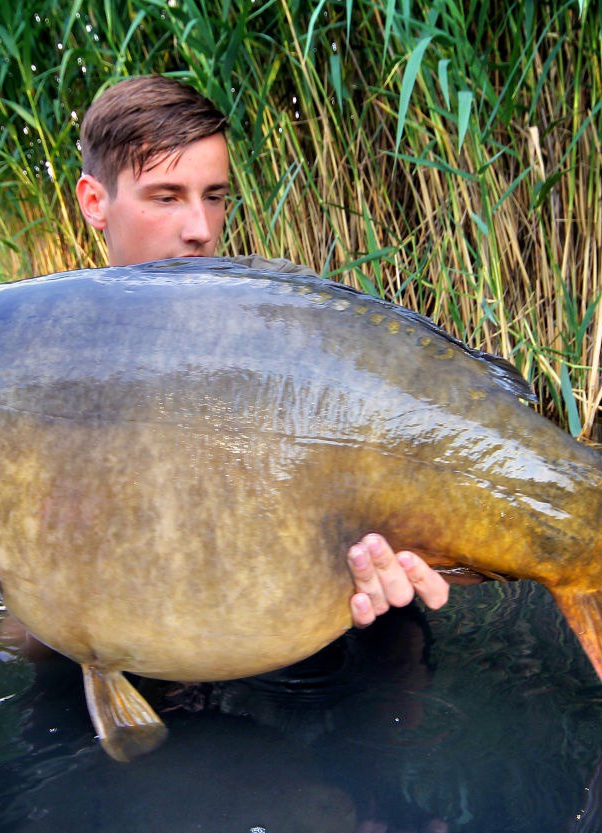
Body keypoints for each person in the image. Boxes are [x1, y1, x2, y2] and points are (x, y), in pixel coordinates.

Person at [74, 75, 451, 628]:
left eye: (215, 197)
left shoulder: (289, 312)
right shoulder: (49, 351)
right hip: (135, 638)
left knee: (396, 634)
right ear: (94, 202)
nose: (200, 229)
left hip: (316, 625)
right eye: (166, 197)